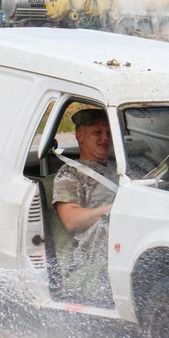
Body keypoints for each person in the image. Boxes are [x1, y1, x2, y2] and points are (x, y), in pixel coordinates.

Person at [51, 108, 118, 298]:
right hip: (96, 251)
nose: (105, 138)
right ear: (79, 136)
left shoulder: (122, 169)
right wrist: (115, 210)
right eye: (97, 132)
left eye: (108, 133)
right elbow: (71, 219)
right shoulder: (71, 174)